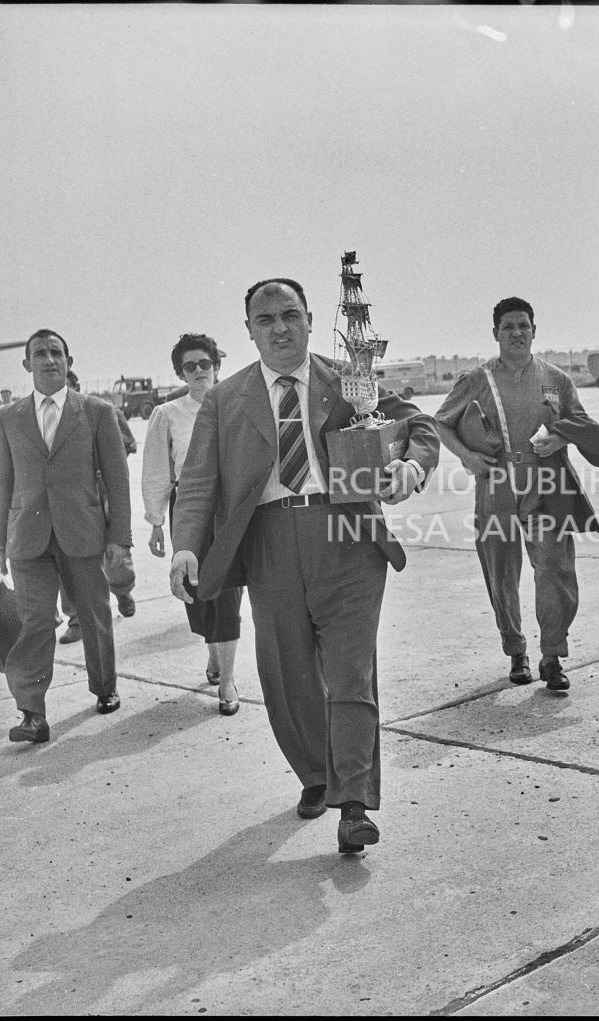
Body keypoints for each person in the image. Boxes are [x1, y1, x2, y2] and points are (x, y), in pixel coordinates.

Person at [168, 278, 439, 853]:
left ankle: (356, 804)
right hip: (266, 542)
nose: (280, 328)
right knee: (288, 676)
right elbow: (196, 482)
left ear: (312, 318)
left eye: (290, 315)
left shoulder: (347, 378)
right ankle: (319, 775)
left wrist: (410, 468)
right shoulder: (224, 399)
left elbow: (419, 424)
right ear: (248, 331)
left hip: (346, 534)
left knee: (350, 673)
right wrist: (187, 544)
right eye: (265, 320)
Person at [434, 296, 599, 691]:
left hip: (546, 487)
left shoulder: (556, 379)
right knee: (501, 573)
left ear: (535, 331)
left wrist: (559, 437)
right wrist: (468, 456)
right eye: (508, 327)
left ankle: (552, 656)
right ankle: (516, 649)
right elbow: (441, 424)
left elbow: (581, 422)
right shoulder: (476, 380)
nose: (517, 333)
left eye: (524, 326)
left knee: (556, 570)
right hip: (496, 487)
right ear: (496, 334)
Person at [0, 329, 131, 744]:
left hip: (83, 533)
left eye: (56, 353)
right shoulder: (7, 418)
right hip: (27, 538)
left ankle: (105, 686)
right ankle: (32, 713)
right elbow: (1, 483)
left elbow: (118, 480)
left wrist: (119, 537)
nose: (49, 360)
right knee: (35, 622)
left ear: (69, 362)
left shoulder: (96, 411)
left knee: (93, 613)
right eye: (40, 354)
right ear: (27, 364)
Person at [142, 334, 244, 715]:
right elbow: (156, 471)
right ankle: (213, 651)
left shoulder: (237, 405)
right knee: (198, 592)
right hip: (188, 509)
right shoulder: (168, 414)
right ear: (180, 372)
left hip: (231, 510)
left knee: (230, 592)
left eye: (205, 363)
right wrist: (155, 522)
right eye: (191, 366)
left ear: (217, 364)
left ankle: (229, 679)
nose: (200, 370)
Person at [58, 369, 138, 644]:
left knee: (115, 551)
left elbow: (127, 445)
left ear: (76, 386)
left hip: (103, 493)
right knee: (66, 560)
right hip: (70, 500)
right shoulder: (45, 420)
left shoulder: (103, 411)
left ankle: (123, 590)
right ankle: (76, 620)